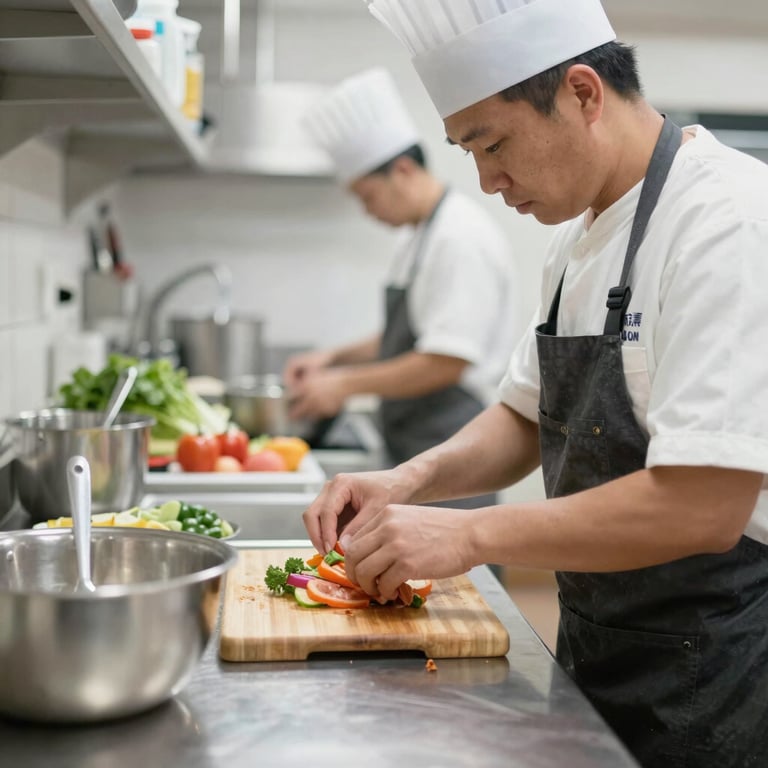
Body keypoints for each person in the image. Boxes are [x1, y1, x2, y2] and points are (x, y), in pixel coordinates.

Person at [303, 2, 768, 766]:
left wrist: (468, 532)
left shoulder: (727, 222)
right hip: (602, 640)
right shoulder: (576, 241)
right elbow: (523, 416)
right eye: (468, 154)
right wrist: (406, 481)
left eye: (494, 144)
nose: (488, 182)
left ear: (583, 93)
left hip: (716, 668)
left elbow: (703, 504)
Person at [285, 67, 524, 509]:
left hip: (451, 448)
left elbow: (444, 361)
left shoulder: (458, 237)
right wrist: (332, 358)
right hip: (417, 446)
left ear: (403, 170)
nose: (368, 211)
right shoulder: (421, 236)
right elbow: (409, 334)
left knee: (460, 579)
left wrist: (341, 385)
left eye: (368, 196)